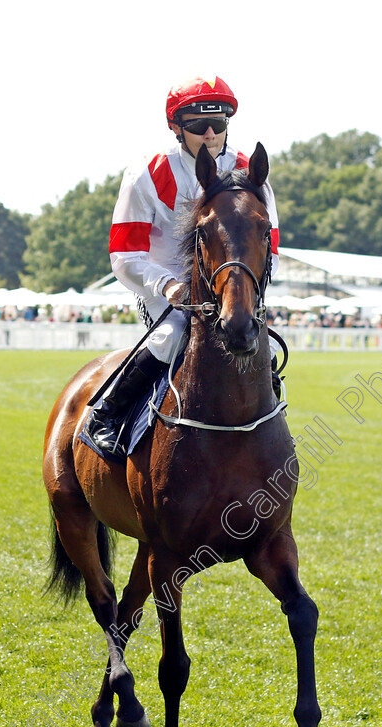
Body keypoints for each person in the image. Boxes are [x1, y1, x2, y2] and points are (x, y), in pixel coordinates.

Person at [87, 75, 280, 457]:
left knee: (265, 349)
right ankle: (106, 414)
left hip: (227, 287)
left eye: (218, 123)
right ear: (176, 127)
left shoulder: (248, 169)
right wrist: (167, 286)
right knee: (174, 333)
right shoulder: (148, 172)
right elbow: (123, 256)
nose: (209, 132)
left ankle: (269, 427)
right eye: (196, 124)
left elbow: (268, 241)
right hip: (166, 290)